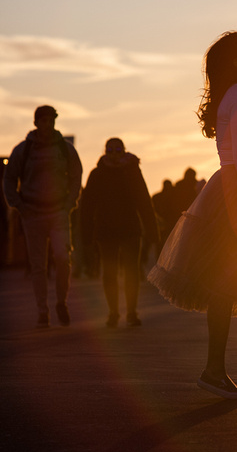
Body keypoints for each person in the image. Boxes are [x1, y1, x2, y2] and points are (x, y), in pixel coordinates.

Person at [148, 32, 237, 400]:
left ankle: (215, 370)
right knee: (227, 282)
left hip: (230, 189)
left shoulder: (234, 96)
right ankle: (213, 371)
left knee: (226, 283)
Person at [3, 105, 82, 327]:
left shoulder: (65, 150)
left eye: (52, 120)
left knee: (62, 258)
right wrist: (18, 205)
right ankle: (42, 310)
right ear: (36, 122)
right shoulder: (23, 150)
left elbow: (76, 176)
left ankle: (61, 302)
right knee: (38, 265)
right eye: (44, 120)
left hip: (58, 211)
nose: (48, 124)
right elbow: (9, 180)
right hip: (32, 213)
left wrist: (69, 203)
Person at [81, 138, 159, 327]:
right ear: (105, 152)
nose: (114, 154)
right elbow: (87, 207)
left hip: (130, 229)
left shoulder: (132, 171)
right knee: (109, 273)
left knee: (132, 272)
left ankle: (131, 312)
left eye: (118, 150)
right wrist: (86, 235)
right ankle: (113, 313)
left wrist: (152, 232)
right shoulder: (97, 174)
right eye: (110, 150)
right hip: (105, 231)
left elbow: (144, 201)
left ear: (124, 151)